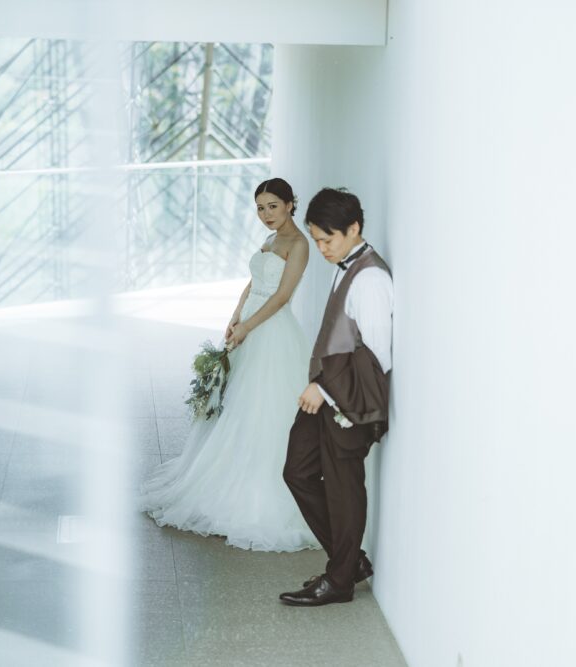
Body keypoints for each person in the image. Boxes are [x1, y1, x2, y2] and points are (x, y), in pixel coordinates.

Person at [141, 178, 320, 552]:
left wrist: (249, 326)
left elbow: (282, 296)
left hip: (272, 331)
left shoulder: (299, 244)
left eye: (273, 206)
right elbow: (253, 284)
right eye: (260, 208)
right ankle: (221, 474)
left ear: (290, 204)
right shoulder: (270, 239)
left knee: (261, 408)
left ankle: (255, 492)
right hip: (249, 325)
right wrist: (235, 316)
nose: (265, 214)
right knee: (235, 402)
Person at [279, 187, 393, 606]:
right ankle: (350, 562)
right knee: (297, 471)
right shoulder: (344, 265)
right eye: (317, 240)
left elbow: (378, 357)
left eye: (328, 240)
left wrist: (325, 388)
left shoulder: (372, 280)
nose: (322, 249)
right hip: (326, 395)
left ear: (354, 229)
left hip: (350, 402)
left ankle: (339, 580)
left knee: (344, 491)